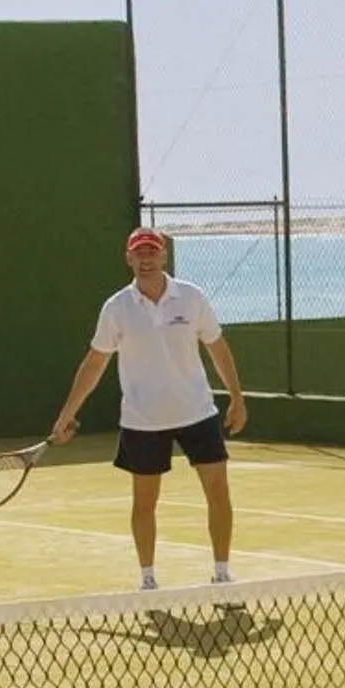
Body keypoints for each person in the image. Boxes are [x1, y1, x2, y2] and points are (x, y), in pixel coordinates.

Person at [50, 227, 249, 589]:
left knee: (219, 492)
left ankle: (222, 574)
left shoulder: (192, 297)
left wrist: (236, 397)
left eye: (151, 252)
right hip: (143, 421)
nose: (145, 259)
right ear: (128, 258)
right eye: (138, 253)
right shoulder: (117, 308)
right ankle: (148, 580)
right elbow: (95, 363)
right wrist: (67, 415)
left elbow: (217, 347)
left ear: (163, 256)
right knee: (144, 502)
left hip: (198, 413)